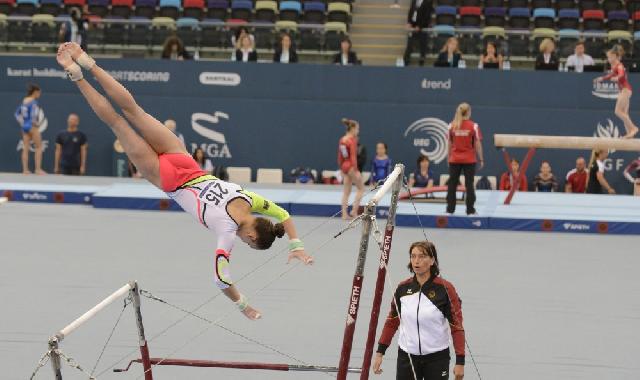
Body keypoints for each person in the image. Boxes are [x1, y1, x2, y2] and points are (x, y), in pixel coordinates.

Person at [56, 42, 313, 320]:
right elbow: (221, 279)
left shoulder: (251, 200)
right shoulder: (227, 231)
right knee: (117, 124)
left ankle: (85, 60)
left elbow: (283, 214)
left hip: (185, 161)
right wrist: (242, 304)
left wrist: (296, 244)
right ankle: (75, 73)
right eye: (249, 244)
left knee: (134, 112)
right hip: (167, 178)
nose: (245, 243)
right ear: (251, 236)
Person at [373, 241, 465, 380]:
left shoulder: (445, 289)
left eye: (422, 256)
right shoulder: (402, 288)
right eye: (413, 256)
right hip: (407, 357)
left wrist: (460, 362)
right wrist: (380, 353)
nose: (416, 261)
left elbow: (457, 327)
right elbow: (391, 322)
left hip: (437, 358)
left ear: (432, 260)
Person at [446, 103, 484, 215]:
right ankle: (470, 210)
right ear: (468, 112)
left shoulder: (452, 125)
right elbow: (478, 144)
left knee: (452, 185)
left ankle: (450, 209)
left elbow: (449, 144)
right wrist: (481, 159)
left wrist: (449, 157)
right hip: (469, 160)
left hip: (455, 160)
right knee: (469, 185)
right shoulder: (473, 126)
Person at [594, 45, 638, 139]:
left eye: (609, 57)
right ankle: (630, 133)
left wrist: (616, 78)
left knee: (617, 111)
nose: (608, 59)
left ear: (614, 56)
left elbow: (621, 75)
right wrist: (601, 78)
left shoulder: (619, 66)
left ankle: (633, 128)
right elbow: (610, 75)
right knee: (624, 113)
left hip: (625, 90)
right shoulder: (615, 66)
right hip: (626, 90)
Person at [14, 83, 46, 175]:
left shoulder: (24, 101)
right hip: (32, 127)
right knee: (39, 147)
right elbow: (33, 114)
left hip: (24, 127)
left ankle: (25, 170)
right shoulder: (34, 102)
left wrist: (23, 123)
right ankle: (38, 169)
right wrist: (34, 123)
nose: (39, 95)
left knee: (25, 148)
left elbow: (17, 114)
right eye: (39, 93)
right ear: (35, 92)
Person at [338, 118, 364, 219]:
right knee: (361, 188)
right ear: (352, 128)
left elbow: (340, 156)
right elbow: (353, 156)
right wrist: (356, 170)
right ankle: (354, 211)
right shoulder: (352, 140)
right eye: (357, 129)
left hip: (344, 165)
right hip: (351, 166)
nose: (358, 131)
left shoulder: (343, 139)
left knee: (346, 191)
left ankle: (344, 214)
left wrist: (341, 168)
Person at [403, 0, 433, 66]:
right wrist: (409, 22)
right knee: (409, 45)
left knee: (422, 46)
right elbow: (410, 12)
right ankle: (405, 62)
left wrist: (420, 26)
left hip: (422, 28)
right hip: (413, 28)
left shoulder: (428, 2)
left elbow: (427, 16)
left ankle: (421, 63)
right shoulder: (414, 1)